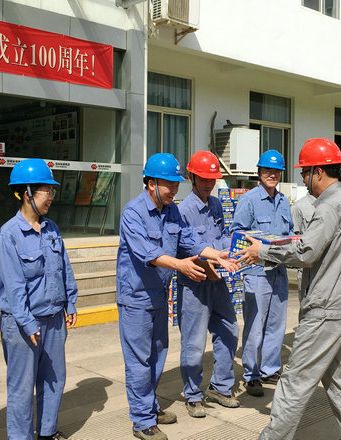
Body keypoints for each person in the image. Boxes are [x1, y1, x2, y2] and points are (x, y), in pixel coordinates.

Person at [239, 138, 341, 440]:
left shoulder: (328, 206)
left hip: (326, 309)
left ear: (319, 172)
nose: (302, 180)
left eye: (304, 173)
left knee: (293, 383)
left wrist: (263, 252)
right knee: (339, 386)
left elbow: (306, 253)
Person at [117, 153, 238, 440]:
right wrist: (182, 265)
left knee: (157, 357)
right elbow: (148, 253)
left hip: (159, 295)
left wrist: (216, 254)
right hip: (135, 298)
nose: (174, 189)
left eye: (176, 184)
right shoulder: (132, 212)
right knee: (138, 361)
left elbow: (190, 242)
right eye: (168, 184)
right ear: (150, 183)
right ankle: (142, 421)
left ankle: (151, 406)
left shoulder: (172, 211)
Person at [0, 158, 78, 440]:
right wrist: (28, 324)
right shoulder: (10, 234)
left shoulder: (52, 228)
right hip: (22, 325)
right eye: (46, 191)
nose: (51, 197)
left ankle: (47, 432)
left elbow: (64, 267)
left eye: (52, 191)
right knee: (21, 387)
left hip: (54, 318)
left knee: (54, 380)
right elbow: (14, 286)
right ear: (27, 192)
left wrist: (71, 301)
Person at [176, 151, 240, 419]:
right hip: (195, 283)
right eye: (203, 178)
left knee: (229, 329)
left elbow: (223, 236)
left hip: (218, 281)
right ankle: (192, 394)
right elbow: (186, 247)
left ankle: (220, 386)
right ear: (191, 177)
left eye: (212, 178)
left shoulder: (215, 204)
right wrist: (211, 261)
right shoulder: (182, 210)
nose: (208, 183)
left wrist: (236, 248)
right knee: (193, 342)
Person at [231, 149, 294, 397]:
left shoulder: (284, 201)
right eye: (267, 170)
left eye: (276, 171)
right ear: (259, 172)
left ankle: (270, 368)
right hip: (257, 272)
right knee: (255, 326)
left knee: (276, 325)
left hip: (279, 271)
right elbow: (238, 233)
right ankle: (252, 374)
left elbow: (288, 232)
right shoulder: (249, 200)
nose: (272, 175)